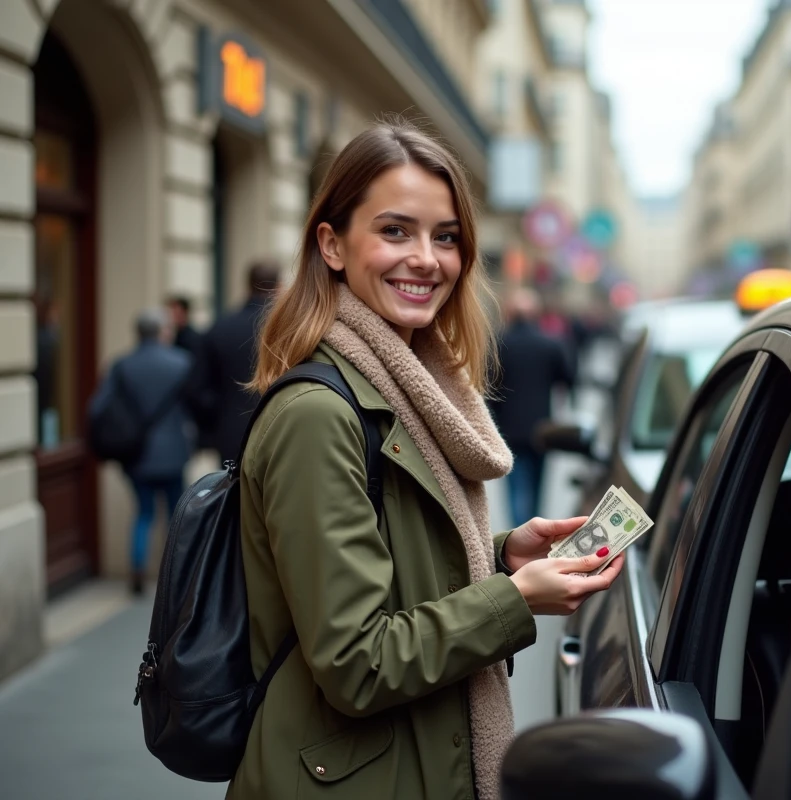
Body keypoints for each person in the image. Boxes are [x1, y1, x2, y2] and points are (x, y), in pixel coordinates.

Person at [228, 119, 624, 800]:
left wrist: (500, 556)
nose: (427, 258)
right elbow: (356, 662)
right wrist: (513, 601)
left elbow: (386, 563)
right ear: (331, 243)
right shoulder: (320, 416)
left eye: (445, 237)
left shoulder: (402, 385)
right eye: (394, 231)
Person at [88, 309, 192, 594]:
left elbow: (97, 408)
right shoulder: (181, 362)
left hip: (136, 454)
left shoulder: (121, 365)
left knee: (144, 514)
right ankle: (177, 578)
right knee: (176, 517)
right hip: (173, 451)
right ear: (162, 332)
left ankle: (137, 570)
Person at [490, 287, 575, 525]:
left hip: (508, 429)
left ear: (509, 313)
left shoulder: (498, 345)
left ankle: (518, 533)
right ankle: (534, 529)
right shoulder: (550, 344)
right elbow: (567, 378)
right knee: (537, 487)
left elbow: (488, 388)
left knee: (515, 488)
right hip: (542, 428)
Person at [187, 261, 279, 463]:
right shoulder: (290, 328)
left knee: (235, 493)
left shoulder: (220, 328)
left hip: (230, 433)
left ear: (247, 285)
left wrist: (216, 418)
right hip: (281, 430)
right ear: (278, 285)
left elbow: (196, 389)